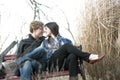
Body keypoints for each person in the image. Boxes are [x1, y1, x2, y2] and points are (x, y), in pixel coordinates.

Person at [41, 22, 105, 80]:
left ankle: (73, 78)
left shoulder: (66, 40)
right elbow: (46, 55)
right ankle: (88, 57)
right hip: (53, 65)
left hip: (65, 64)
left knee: (73, 55)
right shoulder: (45, 42)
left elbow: (71, 52)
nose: (44, 31)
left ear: (51, 29)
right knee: (66, 46)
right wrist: (60, 50)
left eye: (46, 29)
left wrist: (62, 50)